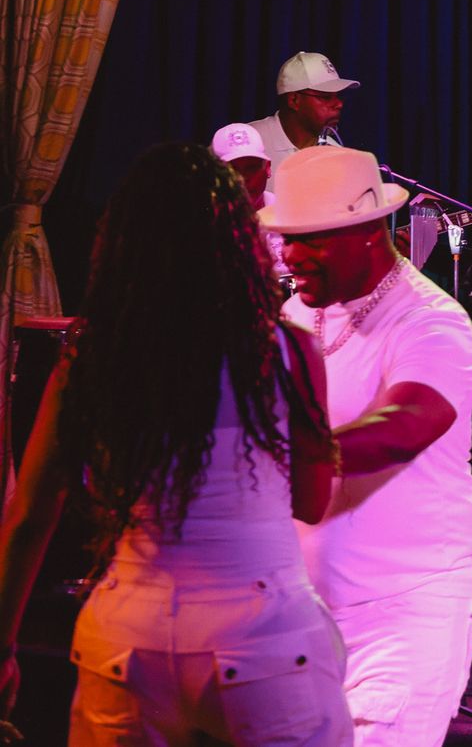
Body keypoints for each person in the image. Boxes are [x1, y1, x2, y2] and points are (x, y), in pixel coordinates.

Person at [0, 143, 350, 744]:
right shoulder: (288, 350)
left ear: (124, 247)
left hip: (127, 640)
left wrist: (4, 645)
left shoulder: (90, 358)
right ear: (239, 244)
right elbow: (312, 502)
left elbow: (30, 514)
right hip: (266, 640)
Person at [262, 146, 472, 747]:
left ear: (365, 231)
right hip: (296, 613)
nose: (290, 254)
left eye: (309, 239)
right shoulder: (295, 314)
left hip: (400, 615)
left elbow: (403, 425)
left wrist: (275, 461)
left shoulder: (432, 321)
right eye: (287, 238)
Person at [248, 51, 361, 192]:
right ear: (294, 100)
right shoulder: (249, 143)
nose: (339, 104)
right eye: (326, 97)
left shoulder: (338, 155)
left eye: (338, 96)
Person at [214, 121, 289, 281]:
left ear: (268, 168)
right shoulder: (205, 224)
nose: (243, 179)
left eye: (252, 168)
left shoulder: (291, 217)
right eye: (232, 170)